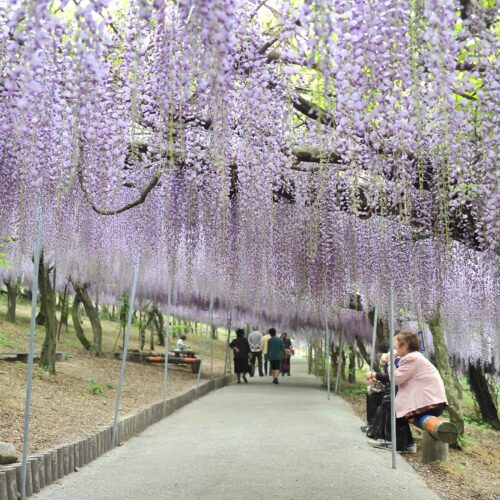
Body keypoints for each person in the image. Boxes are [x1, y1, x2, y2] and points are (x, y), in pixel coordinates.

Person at [365, 330, 448, 453]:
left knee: (393, 405)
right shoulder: (412, 358)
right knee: (391, 402)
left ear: (404, 346)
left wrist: (389, 361)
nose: (395, 349)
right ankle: (408, 444)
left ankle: (393, 443)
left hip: (431, 404)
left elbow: (395, 379)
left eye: (396, 346)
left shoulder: (412, 358)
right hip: (430, 402)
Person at [360, 343, 390, 436]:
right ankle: (371, 423)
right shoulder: (388, 363)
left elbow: (390, 377)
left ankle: (374, 425)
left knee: (374, 397)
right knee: (370, 394)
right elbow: (387, 378)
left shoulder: (394, 361)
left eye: (378, 353)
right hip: (389, 389)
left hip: (394, 392)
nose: (377, 355)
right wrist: (376, 381)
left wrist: (375, 375)